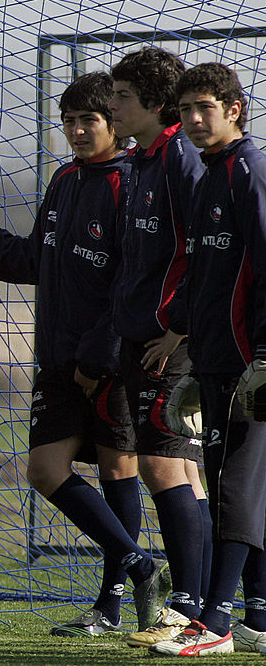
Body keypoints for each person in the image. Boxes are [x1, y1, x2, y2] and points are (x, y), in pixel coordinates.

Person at [0, 71, 171, 636]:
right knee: (45, 469)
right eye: (67, 122)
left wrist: (100, 357)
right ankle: (139, 565)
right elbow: (35, 261)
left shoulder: (134, 183)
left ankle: (110, 607)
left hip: (110, 361)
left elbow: (133, 283)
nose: (77, 132)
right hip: (59, 359)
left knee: (118, 467)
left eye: (88, 120)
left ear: (115, 122)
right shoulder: (65, 180)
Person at [150, 63, 266, 657]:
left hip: (253, 363)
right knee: (237, 482)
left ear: (234, 108)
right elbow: (205, 278)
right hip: (218, 360)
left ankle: (214, 621)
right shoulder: (207, 178)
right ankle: (257, 616)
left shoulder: (251, 170)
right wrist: (194, 351)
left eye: (205, 108)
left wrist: (265, 357)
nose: (193, 120)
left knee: (234, 487)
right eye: (186, 110)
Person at [103, 47, 212, 648]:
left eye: (121, 95)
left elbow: (207, 249)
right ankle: (208, 605)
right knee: (180, 472)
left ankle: (190, 609)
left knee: (166, 466)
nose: (111, 104)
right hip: (140, 337)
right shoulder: (140, 160)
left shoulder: (180, 156)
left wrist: (182, 328)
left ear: (152, 102)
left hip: (172, 341)